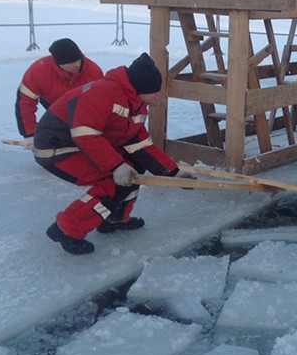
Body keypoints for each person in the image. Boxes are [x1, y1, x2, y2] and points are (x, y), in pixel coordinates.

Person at [33, 53, 194, 255]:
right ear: (141, 88)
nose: (156, 97)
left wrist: (174, 173)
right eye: (153, 92)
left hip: (84, 143)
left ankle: (115, 217)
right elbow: (85, 134)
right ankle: (66, 229)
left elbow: (140, 145)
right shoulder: (104, 92)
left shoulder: (135, 104)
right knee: (113, 181)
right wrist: (116, 166)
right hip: (57, 146)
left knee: (133, 169)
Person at [15, 38, 104, 148]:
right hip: (54, 104)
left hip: (82, 107)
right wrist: (30, 134)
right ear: (58, 63)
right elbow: (25, 104)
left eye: (78, 59)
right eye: (71, 62)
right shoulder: (38, 72)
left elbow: (102, 104)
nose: (76, 64)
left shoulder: (93, 71)